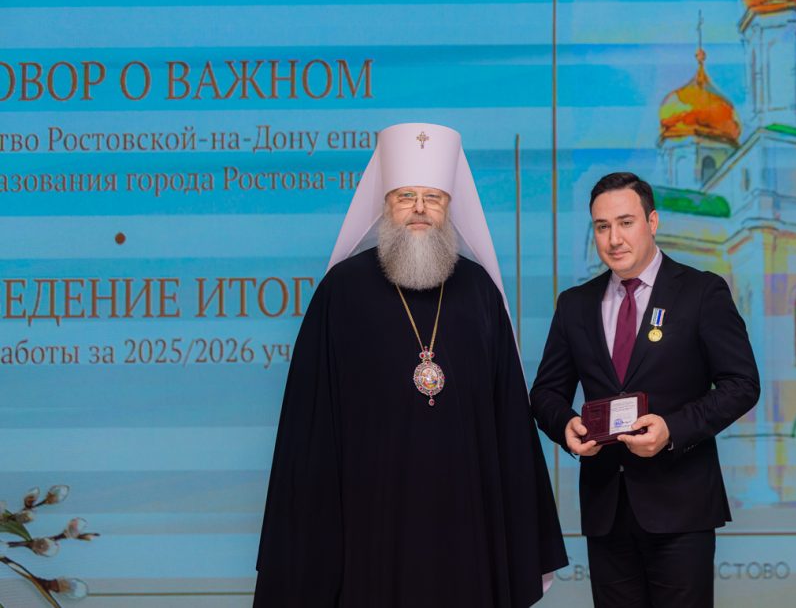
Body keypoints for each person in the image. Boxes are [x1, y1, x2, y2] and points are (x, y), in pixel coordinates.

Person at [254, 123, 567, 607]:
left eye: (433, 198)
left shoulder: (480, 291)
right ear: (385, 205)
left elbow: (508, 418)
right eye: (406, 197)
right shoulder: (342, 291)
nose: (419, 208)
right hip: (370, 517)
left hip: (466, 517)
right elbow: (309, 424)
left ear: (449, 208)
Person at [529, 172, 759, 608]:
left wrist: (672, 429)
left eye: (626, 222)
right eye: (602, 226)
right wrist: (567, 426)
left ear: (652, 222)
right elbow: (545, 394)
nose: (614, 238)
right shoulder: (575, 304)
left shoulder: (701, 291)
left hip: (681, 506)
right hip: (606, 509)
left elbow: (742, 384)